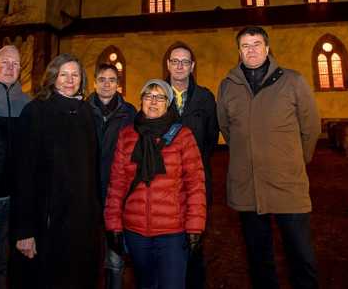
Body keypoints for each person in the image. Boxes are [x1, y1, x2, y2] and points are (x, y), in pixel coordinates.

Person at [217, 26, 321, 289]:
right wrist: (247, 154)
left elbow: (310, 129)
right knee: (258, 258)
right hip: (247, 186)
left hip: (287, 184)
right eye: (245, 45)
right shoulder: (228, 86)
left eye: (256, 44)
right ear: (239, 52)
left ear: (267, 47)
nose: (251, 50)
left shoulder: (293, 81)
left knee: (301, 256)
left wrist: (294, 161)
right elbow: (227, 129)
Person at [104, 79, 206, 289]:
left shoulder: (183, 136)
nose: (153, 101)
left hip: (173, 232)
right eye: (148, 96)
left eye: (160, 97)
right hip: (136, 231)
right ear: (140, 101)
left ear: (168, 103)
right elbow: (117, 184)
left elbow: (195, 184)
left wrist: (195, 227)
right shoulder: (127, 136)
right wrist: (113, 224)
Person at [13, 54, 101, 289]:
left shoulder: (86, 113)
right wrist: (25, 230)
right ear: (53, 77)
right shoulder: (36, 112)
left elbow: (92, 171)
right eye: (64, 74)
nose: (70, 80)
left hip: (82, 224)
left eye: (75, 75)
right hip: (47, 222)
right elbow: (24, 174)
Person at [165, 42, 219, 288]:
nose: (179, 66)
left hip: (196, 182)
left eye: (185, 62)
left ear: (192, 66)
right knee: (166, 244)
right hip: (164, 183)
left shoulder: (205, 97)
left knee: (195, 242)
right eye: (175, 61)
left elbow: (210, 138)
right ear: (167, 64)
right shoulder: (156, 94)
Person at [86, 63, 136, 289]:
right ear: (95, 82)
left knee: (115, 255)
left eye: (112, 80)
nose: (107, 84)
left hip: (118, 193)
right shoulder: (82, 111)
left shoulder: (130, 114)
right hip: (87, 193)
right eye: (102, 79)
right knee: (88, 255)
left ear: (119, 84)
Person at [0, 45, 32, 289]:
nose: (10, 67)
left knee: (6, 257)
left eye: (15, 64)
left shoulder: (29, 105)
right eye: (4, 62)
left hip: (14, 196)